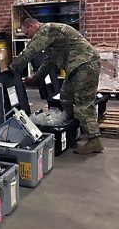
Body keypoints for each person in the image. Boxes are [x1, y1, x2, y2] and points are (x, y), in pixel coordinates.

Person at [9, 18, 103, 155]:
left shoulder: (47, 29)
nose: (29, 37)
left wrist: (12, 69)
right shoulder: (51, 40)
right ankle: (76, 128)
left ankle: (94, 140)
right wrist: (35, 78)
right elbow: (49, 62)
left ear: (32, 25)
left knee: (83, 102)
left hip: (86, 64)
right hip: (76, 67)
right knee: (65, 97)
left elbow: (30, 51)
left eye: (28, 34)